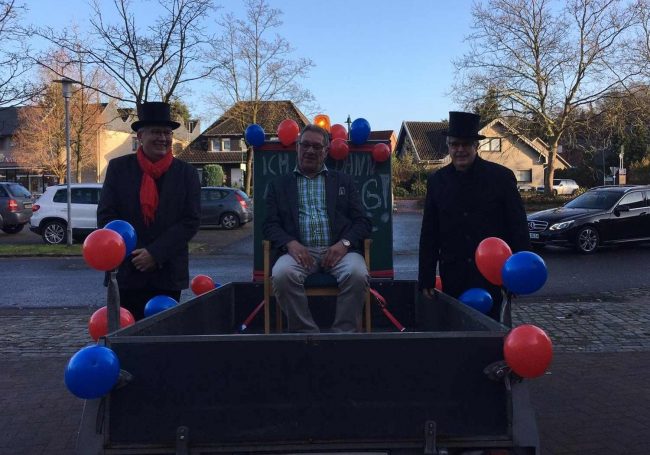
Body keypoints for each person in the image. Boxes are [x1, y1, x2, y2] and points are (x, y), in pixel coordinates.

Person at [418, 111, 530, 322]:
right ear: (448, 146)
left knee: (493, 330)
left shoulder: (501, 178)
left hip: (492, 274)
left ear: (476, 146)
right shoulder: (437, 181)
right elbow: (429, 232)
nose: (460, 149)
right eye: (455, 144)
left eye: (466, 144)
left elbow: (518, 227)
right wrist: (426, 277)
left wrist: (517, 274)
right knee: (456, 329)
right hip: (453, 273)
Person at [263, 124, 372, 333]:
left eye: (317, 146)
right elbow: (269, 225)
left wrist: (344, 244)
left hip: (340, 252)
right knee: (282, 275)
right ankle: (307, 334)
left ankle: (343, 334)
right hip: (298, 253)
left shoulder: (343, 182)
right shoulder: (279, 185)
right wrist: (290, 244)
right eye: (305, 145)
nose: (310, 151)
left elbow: (363, 222)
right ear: (297, 147)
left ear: (326, 151)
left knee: (358, 274)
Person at [97, 102, 201, 320]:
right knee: (126, 334)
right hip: (128, 271)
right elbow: (107, 216)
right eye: (156, 132)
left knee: (164, 334)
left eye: (167, 133)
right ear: (140, 136)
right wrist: (136, 253)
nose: (163, 138)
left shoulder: (187, 174)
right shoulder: (118, 169)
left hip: (167, 273)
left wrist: (155, 253)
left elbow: (190, 221)